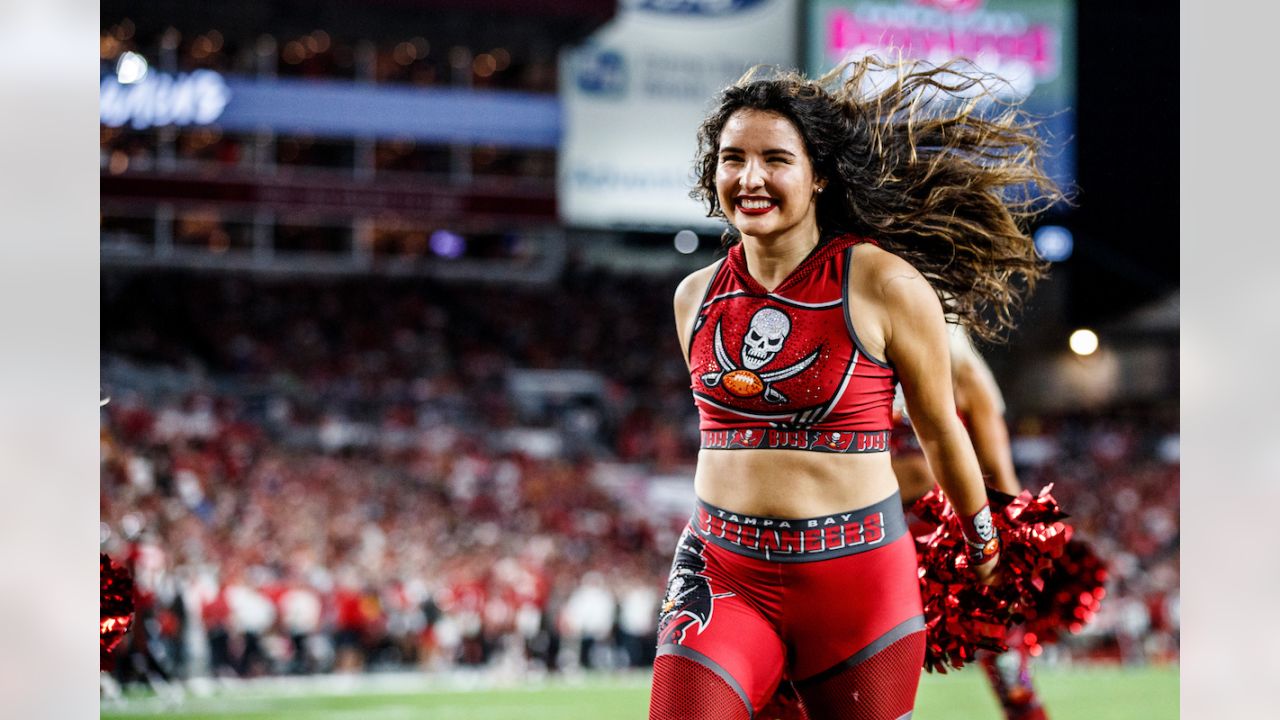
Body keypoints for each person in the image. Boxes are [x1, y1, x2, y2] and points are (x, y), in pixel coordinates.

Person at [647, 55, 1061, 720]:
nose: (749, 178)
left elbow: (940, 425)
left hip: (858, 579)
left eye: (776, 159)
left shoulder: (886, 285)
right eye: (732, 158)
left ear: (820, 177)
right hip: (721, 571)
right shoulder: (693, 297)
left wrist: (984, 539)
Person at [892, 327, 1050, 720]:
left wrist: (1017, 552)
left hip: (953, 538)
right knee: (870, 671)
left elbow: (1000, 473)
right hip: (881, 536)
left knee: (1008, 666)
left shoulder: (965, 379)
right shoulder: (871, 366)